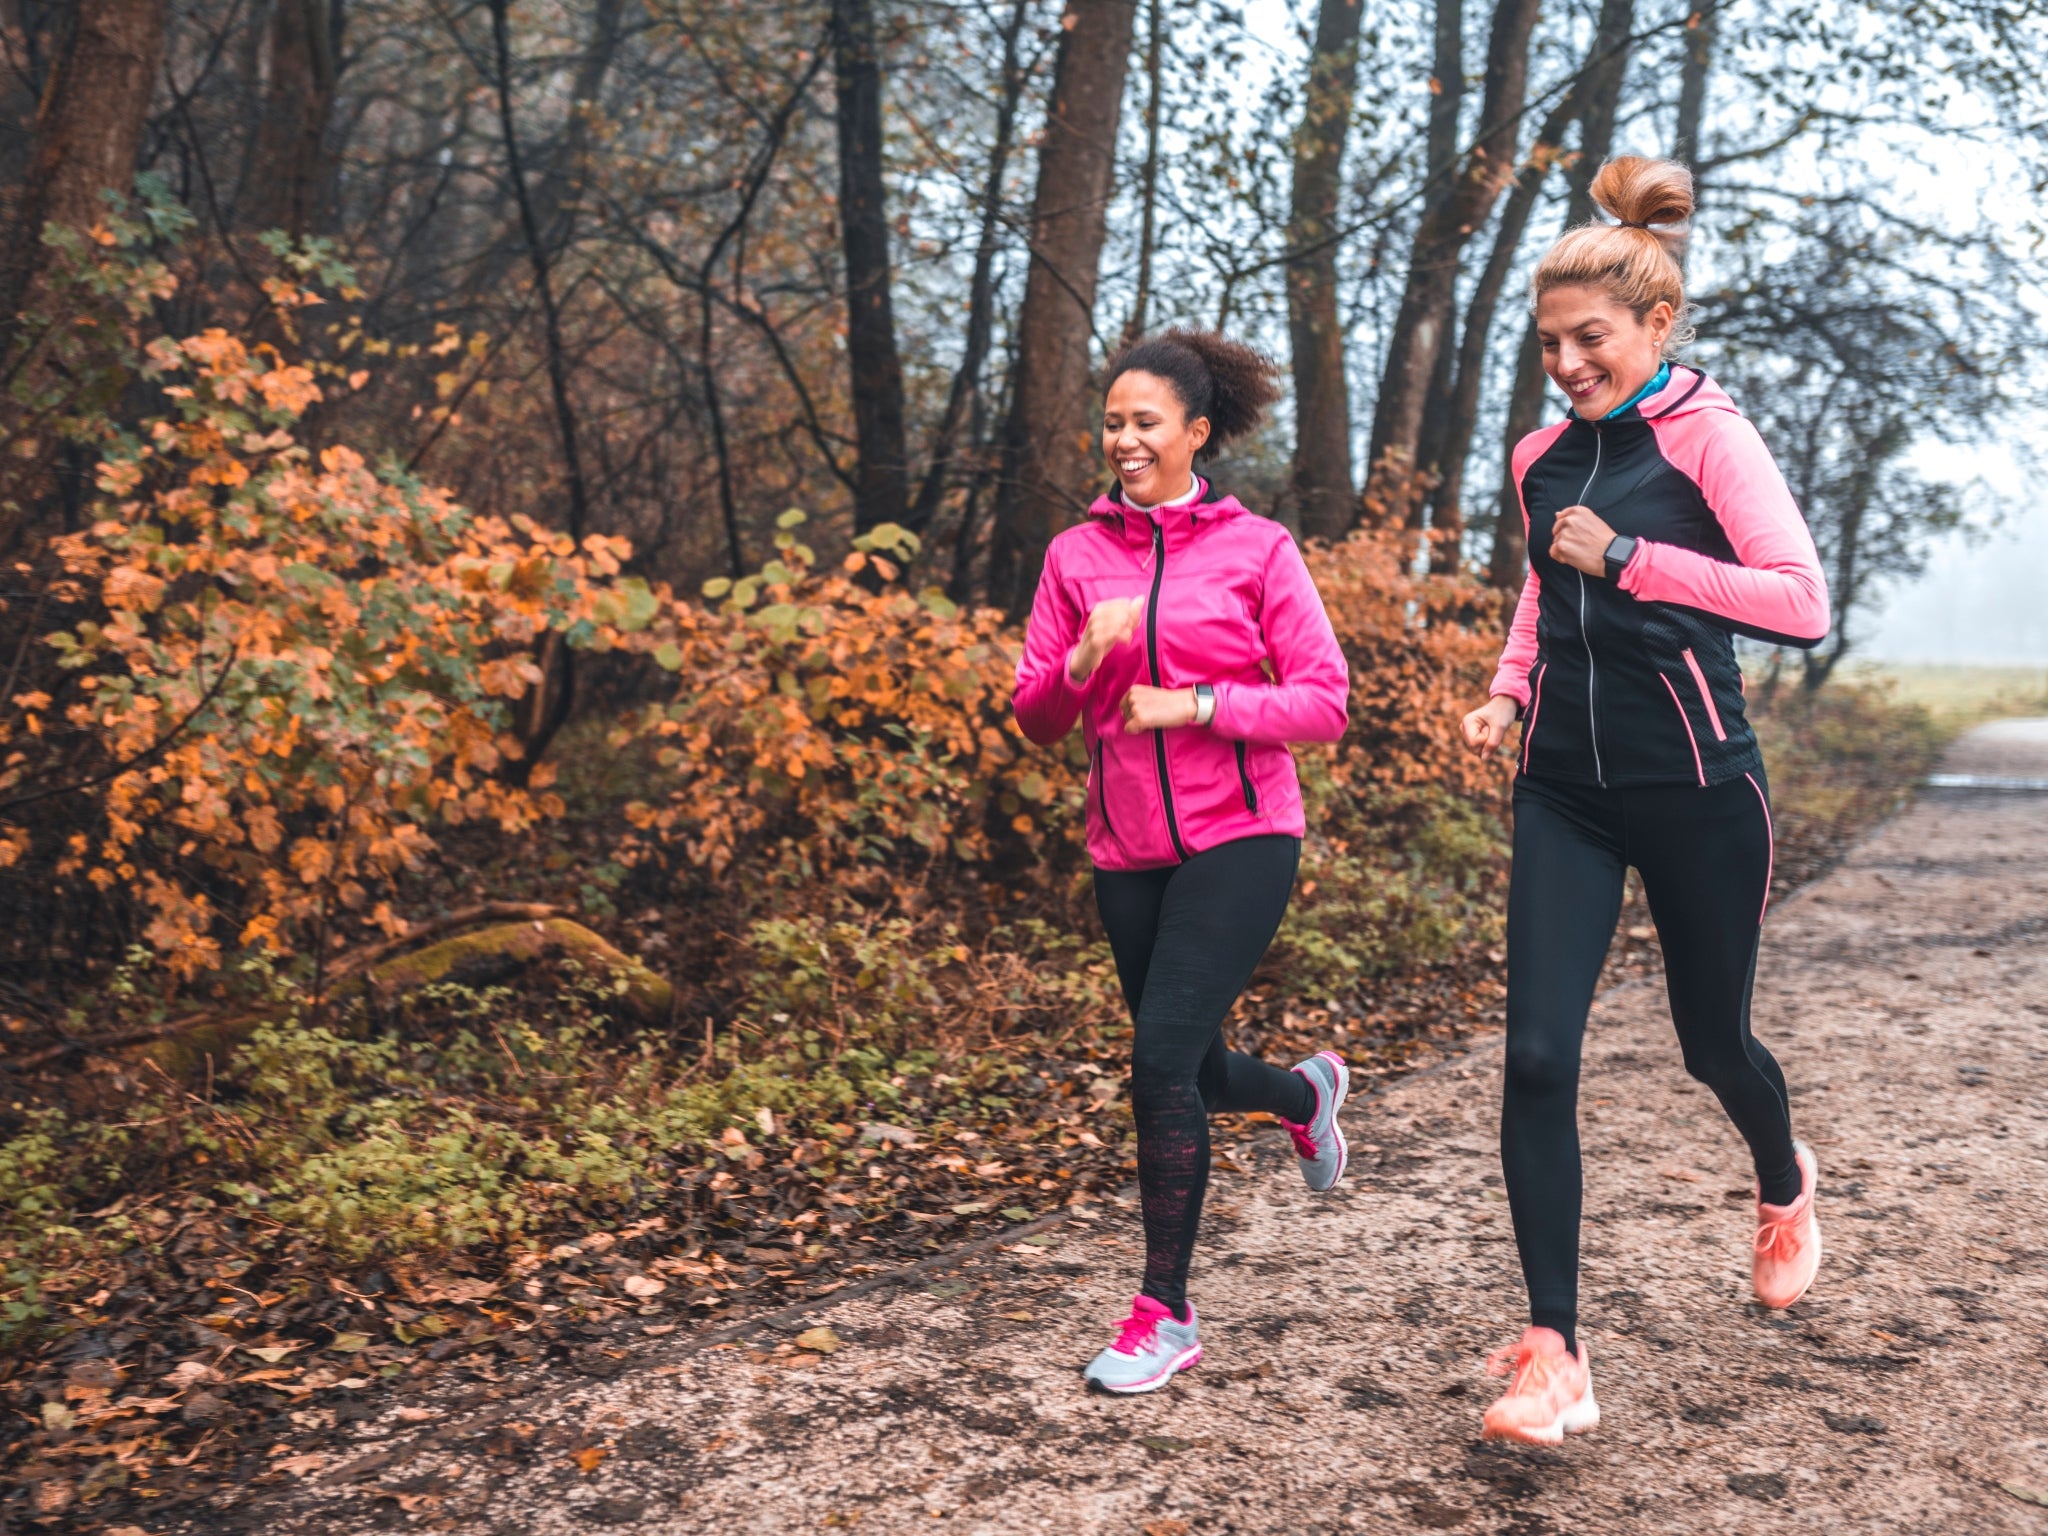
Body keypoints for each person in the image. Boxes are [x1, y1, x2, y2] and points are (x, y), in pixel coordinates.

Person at [1458, 156, 1831, 1445]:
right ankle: (1552, 1352)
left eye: (1589, 339)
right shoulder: (1538, 457)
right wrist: (1508, 692)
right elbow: (1534, 592)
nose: (1564, 363)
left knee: (1709, 1045)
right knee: (1534, 1058)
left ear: (1655, 327)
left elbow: (1798, 600)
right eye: (1549, 342)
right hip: (1562, 787)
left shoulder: (1708, 440)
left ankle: (1781, 1182)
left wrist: (1633, 558)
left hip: (1696, 788)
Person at [1012, 330, 1353, 1394]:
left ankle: (1163, 1312)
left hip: (1242, 835)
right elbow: (1034, 717)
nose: (1121, 439)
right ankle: (1302, 1097)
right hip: (1126, 848)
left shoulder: (1255, 550)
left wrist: (1197, 703)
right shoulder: (1076, 557)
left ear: (1194, 434)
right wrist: (1081, 663)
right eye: (1111, 422)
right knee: (1192, 1068)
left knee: (1157, 1064)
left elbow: (1323, 700)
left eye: (1142, 422)